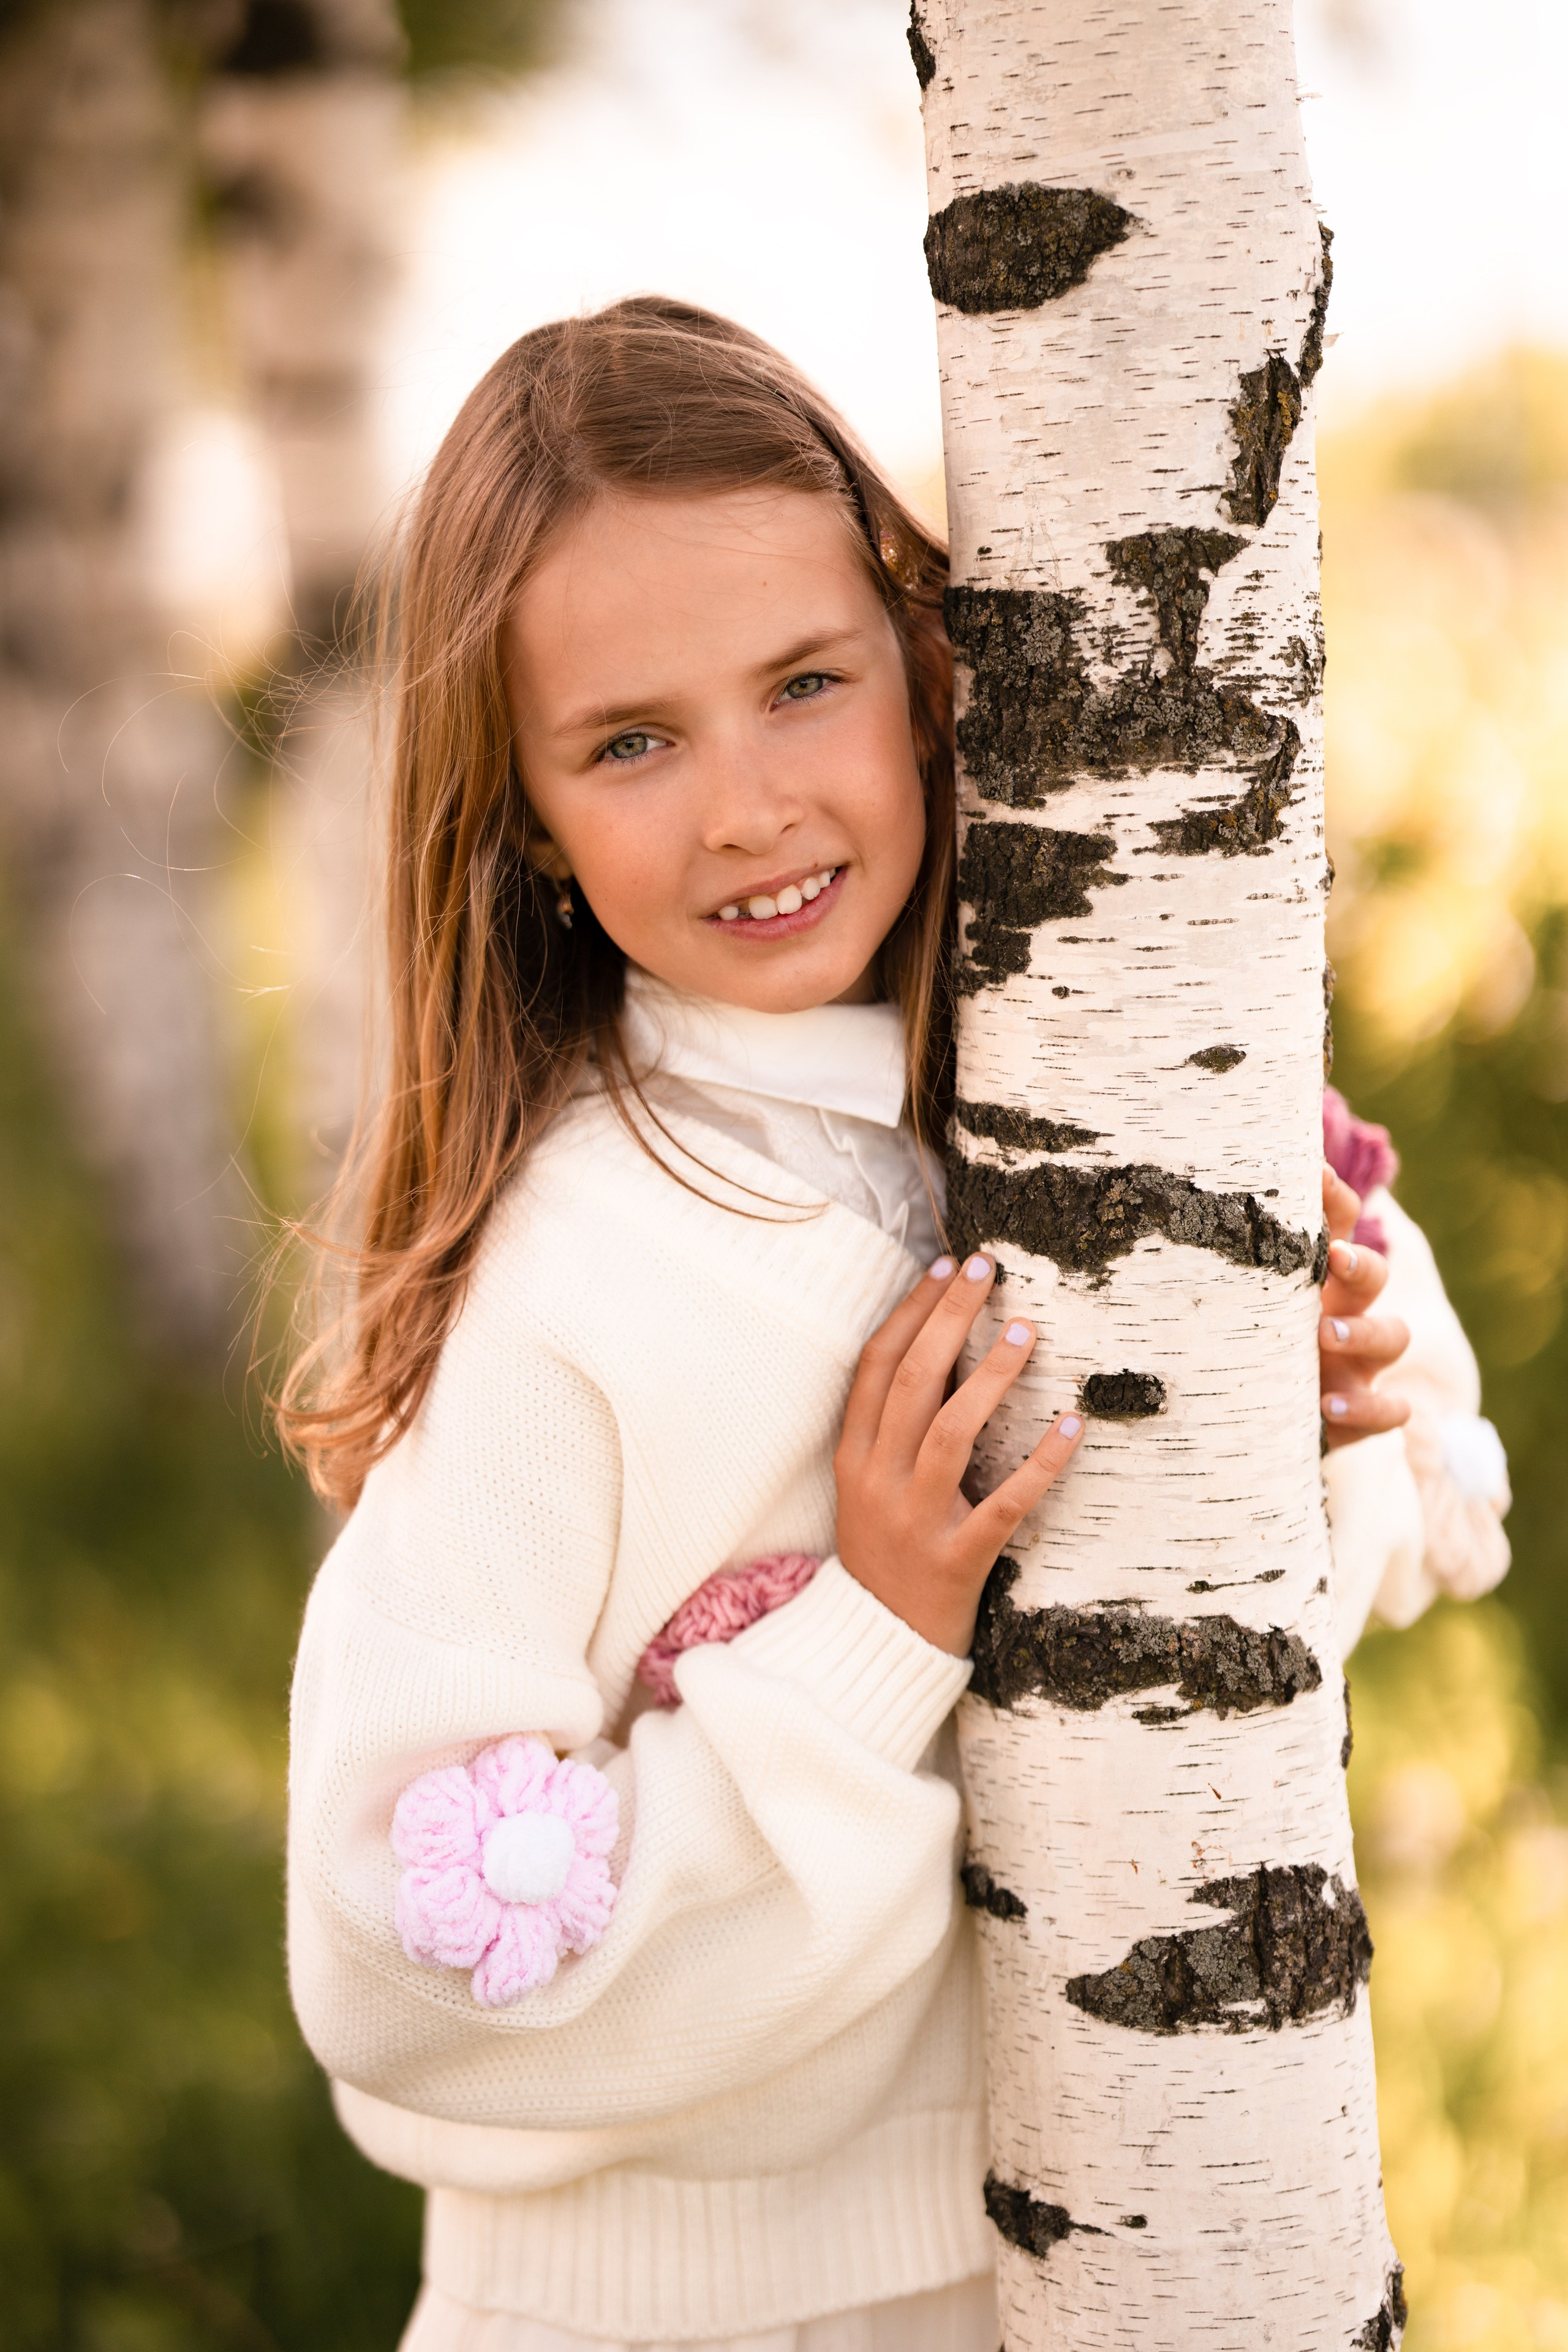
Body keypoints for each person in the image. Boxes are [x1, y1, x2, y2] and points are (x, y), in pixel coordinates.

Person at [279, 298, 1499, 2352]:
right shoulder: (574, 1284)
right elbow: (398, 1956)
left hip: (1085, 2240)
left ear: (927, 676)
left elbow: (1311, 1595)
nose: (747, 805)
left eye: (804, 684)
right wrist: (872, 1634)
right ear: (524, 817)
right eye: (633, 741)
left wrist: (1286, 1410)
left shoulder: (1059, 1091)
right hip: (658, 2318)